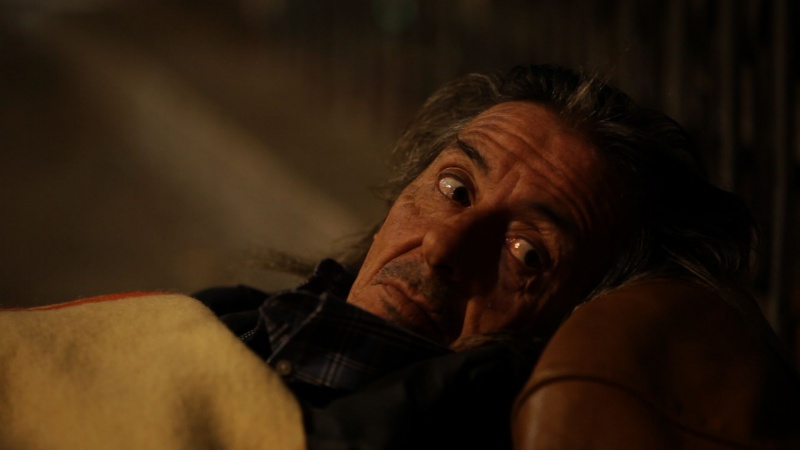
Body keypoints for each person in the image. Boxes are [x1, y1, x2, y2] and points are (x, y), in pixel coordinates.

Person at [2, 64, 798, 449]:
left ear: (577, 322)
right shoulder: (247, 319)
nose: (446, 246)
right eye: (453, 188)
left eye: (527, 252)